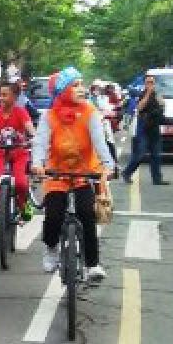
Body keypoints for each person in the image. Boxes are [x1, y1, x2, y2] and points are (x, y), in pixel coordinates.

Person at [31, 68, 115, 282]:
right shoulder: (49, 117)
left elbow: (99, 141)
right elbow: (40, 142)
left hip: (85, 172)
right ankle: (51, 248)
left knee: (87, 213)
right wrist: (37, 163)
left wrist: (108, 164)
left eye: (81, 84)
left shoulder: (90, 113)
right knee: (53, 215)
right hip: (56, 173)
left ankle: (92, 264)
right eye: (75, 85)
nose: (81, 89)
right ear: (62, 91)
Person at [0, 79, 36, 228]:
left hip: (19, 152)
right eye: (0, 95)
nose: (1, 98)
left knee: (21, 182)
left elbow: (30, 129)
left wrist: (34, 138)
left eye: (5, 95)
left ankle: (23, 206)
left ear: (15, 97)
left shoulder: (21, 112)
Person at [122, 73, 168, 185]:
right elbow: (139, 107)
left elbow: (163, 105)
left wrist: (159, 98)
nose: (150, 84)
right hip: (143, 127)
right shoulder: (142, 94)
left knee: (156, 155)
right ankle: (127, 172)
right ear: (145, 83)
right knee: (140, 154)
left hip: (154, 127)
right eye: (148, 82)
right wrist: (147, 93)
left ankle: (157, 179)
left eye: (152, 82)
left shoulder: (157, 94)